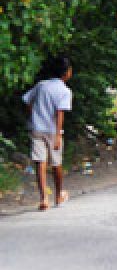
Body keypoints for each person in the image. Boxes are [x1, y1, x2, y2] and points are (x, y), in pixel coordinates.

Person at [23, 55, 73, 210]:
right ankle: (58, 195)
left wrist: (33, 116)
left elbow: (27, 101)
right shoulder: (64, 91)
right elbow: (60, 113)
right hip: (52, 131)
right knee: (56, 164)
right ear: (66, 73)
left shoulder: (41, 85)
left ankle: (44, 197)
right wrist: (58, 135)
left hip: (37, 128)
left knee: (40, 162)